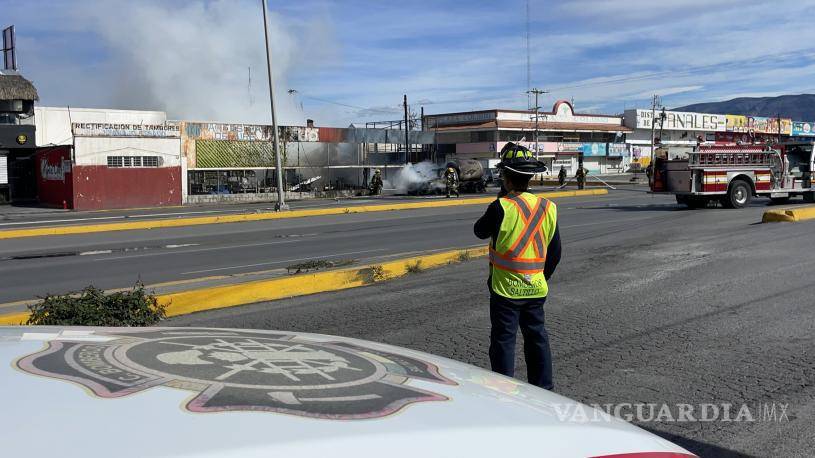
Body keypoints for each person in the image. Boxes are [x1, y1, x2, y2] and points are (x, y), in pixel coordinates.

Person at [473, 142, 561, 390]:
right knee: (537, 337)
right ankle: (544, 389)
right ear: (530, 176)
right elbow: (555, 252)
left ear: (506, 178)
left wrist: (501, 198)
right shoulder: (548, 207)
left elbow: (479, 231)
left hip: (505, 290)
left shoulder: (501, 206)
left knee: (503, 340)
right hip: (536, 288)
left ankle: (504, 391)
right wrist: (540, 276)